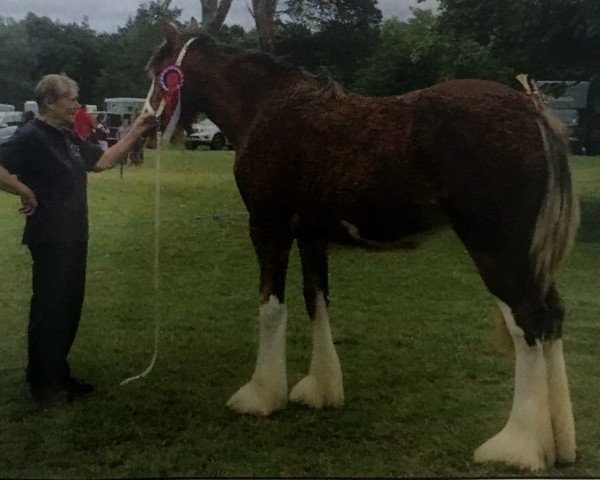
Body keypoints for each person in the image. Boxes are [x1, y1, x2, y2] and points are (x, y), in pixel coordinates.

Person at [0, 74, 155, 405]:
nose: (78, 105)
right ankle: (43, 384)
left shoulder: (67, 136)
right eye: (72, 99)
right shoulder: (30, 135)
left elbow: (101, 161)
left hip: (75, 234)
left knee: (69, 307)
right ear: (50, 102)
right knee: (50, 308)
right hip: (50, 236)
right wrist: (23, 190)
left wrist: (138, 130)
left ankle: (58, 373)